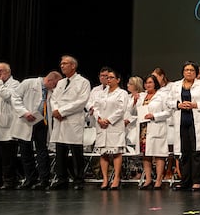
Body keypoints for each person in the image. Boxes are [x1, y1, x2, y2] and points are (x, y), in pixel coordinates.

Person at [10, 70, 63, 190]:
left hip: (41, 122)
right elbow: (15, 97)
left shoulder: (50, 91)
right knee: (26, 151)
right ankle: (30, 179)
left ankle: (44, 180)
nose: (55, 88)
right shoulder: (28, 83)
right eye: (54, 85)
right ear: (49, 80)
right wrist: (24, 112)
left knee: (42, 151)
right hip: (26, 121)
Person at [48, 55, 91, 190]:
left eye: (65, 63)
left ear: (73, 66)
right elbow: (53, 98)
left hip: (72, 120)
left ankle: (78, 180)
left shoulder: (83, 82)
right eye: (61, 63)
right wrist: (56, 110)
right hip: (60, 121)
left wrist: (62, 111)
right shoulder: (60, 83)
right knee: (60, 151)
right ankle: (62, 179)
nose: (62, 66)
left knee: (76, 152)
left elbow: (81, 101)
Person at [167, 61, 200, 192]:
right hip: (181, 121)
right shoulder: (175, 85)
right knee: (184, 152)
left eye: (191, 70)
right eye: (186, 70)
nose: (189, 72)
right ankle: (185, 181)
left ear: (196, 72)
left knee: (197, 152)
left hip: (196, 121)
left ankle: (197, 181)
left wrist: (195, 105)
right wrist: (178, 105)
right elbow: (168, 101)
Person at [132, 74, 171, 190]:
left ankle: (158, 180)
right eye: (146, 83)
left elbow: (168, 112)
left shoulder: (162, 96)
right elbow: (133, 112)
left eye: (150, 82)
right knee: (146, 155)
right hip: (143, 129)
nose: (148, 85)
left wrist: (154, 116)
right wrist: (134, 102)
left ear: (155, 84)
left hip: (156, 127)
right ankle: (148, 179)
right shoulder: (141, 96)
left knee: (159, 154)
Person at [92, 68, 129, 190]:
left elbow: (121, 109)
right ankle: (105, 179)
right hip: (101, 126)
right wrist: (99, 118)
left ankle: (116, 178)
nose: (108, 79)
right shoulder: (101, 93)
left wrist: (108, 120)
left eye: (111, 77)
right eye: (107, 77)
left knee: (116, 152)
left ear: (118, 80)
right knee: (103, 153)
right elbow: (95, 107)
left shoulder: (122, 93)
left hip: (114, 125)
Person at [0, 62, 21, 189]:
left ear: (9, 72)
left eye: (2, 71)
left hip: (5, 124)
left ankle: (9, 181)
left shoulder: (15, 84)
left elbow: (7, 96)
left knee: (7, 156)